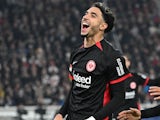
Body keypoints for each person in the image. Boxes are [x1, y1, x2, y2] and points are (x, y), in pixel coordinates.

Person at [53, 2, 132, 120]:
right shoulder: (76, 53)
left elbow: (119, 97)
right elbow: (75, 88)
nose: (85, 17)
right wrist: (61, 113)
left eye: (93, 15)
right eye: (86, 14)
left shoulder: (112, 57)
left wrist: (94, 118)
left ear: (102, 26)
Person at [111, 54, 160, 119]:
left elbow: (153, 82)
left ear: (129, 63)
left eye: (125, 60)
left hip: (134, 113)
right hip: (118, 114)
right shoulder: (110, 80)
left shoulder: (136, 77)